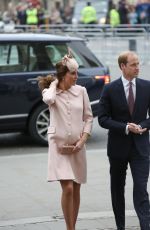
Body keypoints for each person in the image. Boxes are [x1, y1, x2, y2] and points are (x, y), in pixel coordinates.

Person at [38, 52, 93, 230]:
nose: (76, 77)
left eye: (77, 73)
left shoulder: (81, 91)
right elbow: (48, 99)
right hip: (59, 147)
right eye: (73, 73)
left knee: (76, 188)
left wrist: (83, 139)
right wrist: (55, 82)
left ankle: (72, 227)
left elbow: (89, 118)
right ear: (63, 75)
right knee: (67, 188)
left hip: (78, 146)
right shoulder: (51, 92)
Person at [98, 51, 150, 230]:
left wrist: (143, 125)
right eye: (133, 64)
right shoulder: (110, 89)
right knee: (117, 189)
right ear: (122, 66)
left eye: (138, 63)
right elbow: (102, 119)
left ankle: (145, 225)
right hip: (118, 148)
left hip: (141, 148)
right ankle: (120, 226)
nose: (138, 67)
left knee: (141, 188)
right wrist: (126, 127)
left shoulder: (147, 86)